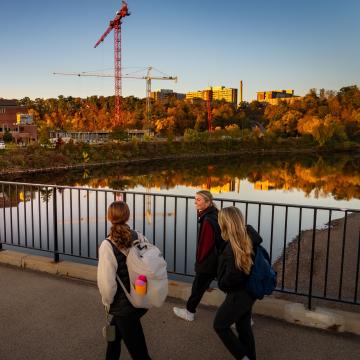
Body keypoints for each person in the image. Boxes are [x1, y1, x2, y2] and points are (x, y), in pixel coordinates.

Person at [97, 201, 151, 360]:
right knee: (113, 340)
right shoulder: (139, 236)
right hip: (140, 296)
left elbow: (107, 284)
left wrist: (107, 302)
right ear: (128, 216)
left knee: (140, 354)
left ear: (109, 217)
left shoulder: (107, 245)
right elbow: (148, 263)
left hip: (124, 307)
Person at [214, 206, 262, 360]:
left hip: (238, 294)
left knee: (220, 325)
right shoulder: (248, 237)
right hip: (250, 291)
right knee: (243, 326)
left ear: (226, 223)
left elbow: (233, 277)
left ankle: (243, 357)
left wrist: (222, 283)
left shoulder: (232, 247)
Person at [173, 190, 224, 321]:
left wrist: (199, 262)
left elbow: (205, 245)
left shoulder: (207, 220)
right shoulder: (215, 214)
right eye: (195, 199)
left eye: (199, 200)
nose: (195, 202)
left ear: (208, 202)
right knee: (229, 286)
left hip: (208, 260)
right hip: (219, 257)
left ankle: (189, 312)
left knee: (198, 287)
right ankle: (244, 317)